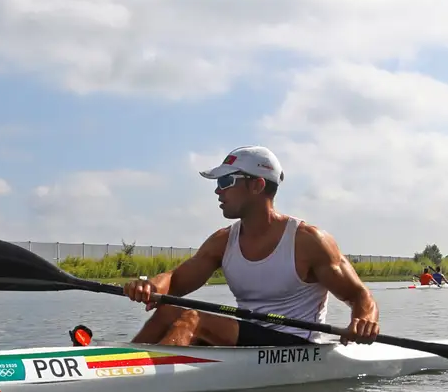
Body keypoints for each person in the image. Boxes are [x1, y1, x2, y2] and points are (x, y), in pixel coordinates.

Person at [123, 146, 380, 347]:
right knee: (169, 311)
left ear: (257, 185)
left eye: (225, 182)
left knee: (193, 318)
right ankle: (120, 364)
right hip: (247, 338)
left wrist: (365, 320)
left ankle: (145, 379)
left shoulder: (308, 241)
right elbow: (176, 281)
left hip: (296, 345)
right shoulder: (223, 241)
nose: (217, 192)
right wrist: (152, 286)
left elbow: (359, 296)